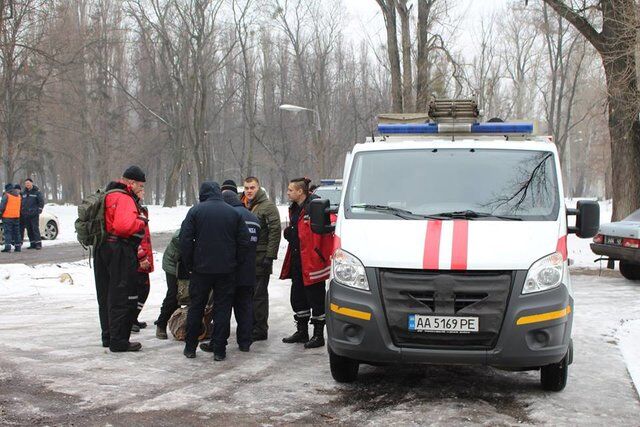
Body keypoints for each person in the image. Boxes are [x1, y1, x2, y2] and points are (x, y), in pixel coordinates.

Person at [180, 182, 250, 361]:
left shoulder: (195, 211)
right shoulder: (233, 213)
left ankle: (190, 347)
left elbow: (185, 240)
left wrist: (189, 264)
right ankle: (219, 350)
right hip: (226, 269)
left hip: (201, 269)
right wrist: (236, 262)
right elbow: (244, 242)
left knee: (196, 307)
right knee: (222, 309)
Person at [200, 180, 261, 353]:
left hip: (229, 271)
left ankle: (219, 342)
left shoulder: (229, 217)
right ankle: (245, 342)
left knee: (223, 308)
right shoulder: (253, 218)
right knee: (245, 308)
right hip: (249, 271)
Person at [94, 166, 147, 353]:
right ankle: (119, 340)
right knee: (121, 294)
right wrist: (141, 221)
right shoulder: (124, 198)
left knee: (105, 293)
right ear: (131, 183)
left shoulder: (108, 194)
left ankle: (107, 336)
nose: (140, 189)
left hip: (101, 247)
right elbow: (124, 226)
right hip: (118, 249)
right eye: (140, 185)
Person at [280, 177, 333, 349]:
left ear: (300, 191)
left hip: (312, 260)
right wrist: (291, 232)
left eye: (290, 190)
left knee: (315, 298)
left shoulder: (316, 206)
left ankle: (318, 335)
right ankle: (302, 332)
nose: (288, 193)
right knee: (297, 297)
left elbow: (325, 230)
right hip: (297, 259)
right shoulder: (294, 208)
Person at [241, 176, 281, 342]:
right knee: (248, 294)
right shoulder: (244, 205)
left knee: (259, 295)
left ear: (259, 188)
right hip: (247, 258)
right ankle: (250, 325)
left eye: (252, 188)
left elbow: (275, 231)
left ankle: (260, 328)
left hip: (261, 256)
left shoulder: (268, 207)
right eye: (247, 188)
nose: (249, 191)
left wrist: (270, 256)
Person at [132, 188, 152, 333]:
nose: (143, 191)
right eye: (141, 189)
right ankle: (130, 318)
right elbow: (134, 236)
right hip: (138, 258)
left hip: (143, 256)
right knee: (141, 289)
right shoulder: (133, 210)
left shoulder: (141, 209)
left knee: (142, 289)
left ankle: (133, 318)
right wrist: (142, 256)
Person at [155, 229, 180, 339]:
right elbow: (177, 239)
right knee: (174, 295)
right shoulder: (189, 225)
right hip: (173, 265)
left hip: (190, 264)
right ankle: (161, 324)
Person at [20, 178, 44, 250]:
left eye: (28, 183)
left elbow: (41, 201)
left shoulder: (36, 192)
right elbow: (21, 202)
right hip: (26, 214)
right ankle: (32, 243)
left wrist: (39, 210)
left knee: (35, 228)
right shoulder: (23, 192)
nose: (27, 184)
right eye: (26, 183)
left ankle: (38, 243)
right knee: (29, 229)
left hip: (34, 214)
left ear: (32, 183)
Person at [1, 183, 22, 253]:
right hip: (16, 216)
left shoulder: (6, 195)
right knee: (17, 232)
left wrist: (0, 213)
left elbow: (2, 206)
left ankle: (7, 247)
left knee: (7, 232)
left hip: (7, 216)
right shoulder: (18, 196)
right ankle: (18, 247)